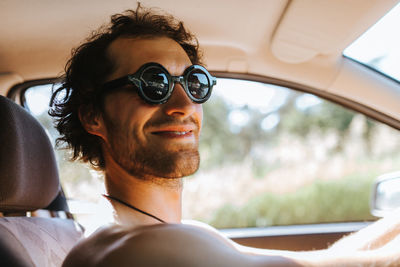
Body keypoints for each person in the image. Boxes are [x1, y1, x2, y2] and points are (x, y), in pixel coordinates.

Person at [50, 5, 400, 267]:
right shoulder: (132, 248)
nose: (183, 104)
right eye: (153, 83)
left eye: (193, 82)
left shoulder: (175, 233)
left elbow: (329, 259)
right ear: (93, 116)